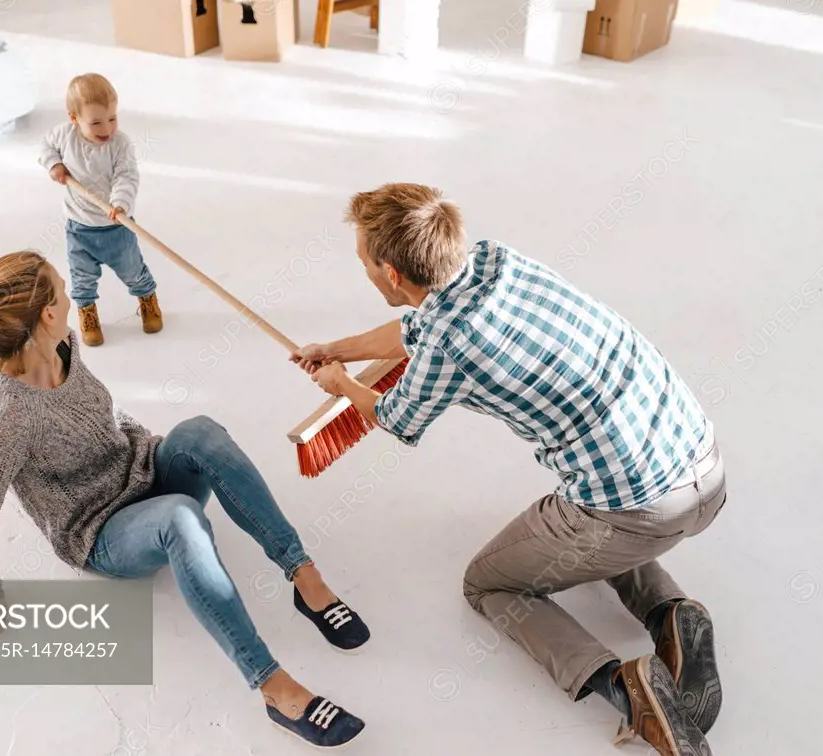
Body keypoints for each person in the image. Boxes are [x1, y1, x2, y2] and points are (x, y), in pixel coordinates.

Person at [291, 183, 726, 756]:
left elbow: (395, 417)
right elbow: (414, 329)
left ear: (392, 274)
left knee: (489, 583)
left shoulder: (447, 344)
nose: (364, 273)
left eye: (365, 263)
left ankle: (627, 690)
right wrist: (338, 350)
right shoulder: (497, 260)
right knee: (593, 510)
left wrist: (340, 385)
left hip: (634, 513)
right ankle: (673, 613)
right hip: (702, 462)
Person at [0, 250, 368, 750]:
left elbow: (100, 411)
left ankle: (303, 576)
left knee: (200, 433)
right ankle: (273, 687)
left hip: (140, 471)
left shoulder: (62, 349)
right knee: (180, 518)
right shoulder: (6, 417)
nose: (70, 298)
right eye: (62, 290)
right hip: (101, 530)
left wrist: (149, 446)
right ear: (48, 314)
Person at [39, 72, 162, 346]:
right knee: (81, 277)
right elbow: (46, 146)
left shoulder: (119, 145)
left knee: (132, 270)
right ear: (74, 118)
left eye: (112, 118)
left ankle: (147, 298)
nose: (106, 128)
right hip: (79, 227)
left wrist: (120, 203)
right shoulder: (64, 135)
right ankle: (87, 312)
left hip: (116, 226)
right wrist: (54, 165)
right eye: (95, 122)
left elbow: (126, 176)